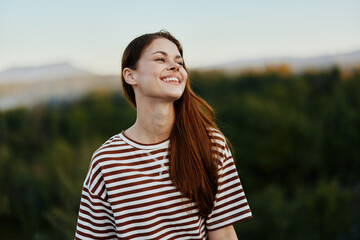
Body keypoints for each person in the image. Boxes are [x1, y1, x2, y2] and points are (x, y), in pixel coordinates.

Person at [74, 30, 252, 240]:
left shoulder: (210, 144)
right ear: (131, 75)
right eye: (160, 58)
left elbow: (223, 233)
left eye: (179, 62)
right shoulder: (107, 161)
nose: (175, 66)